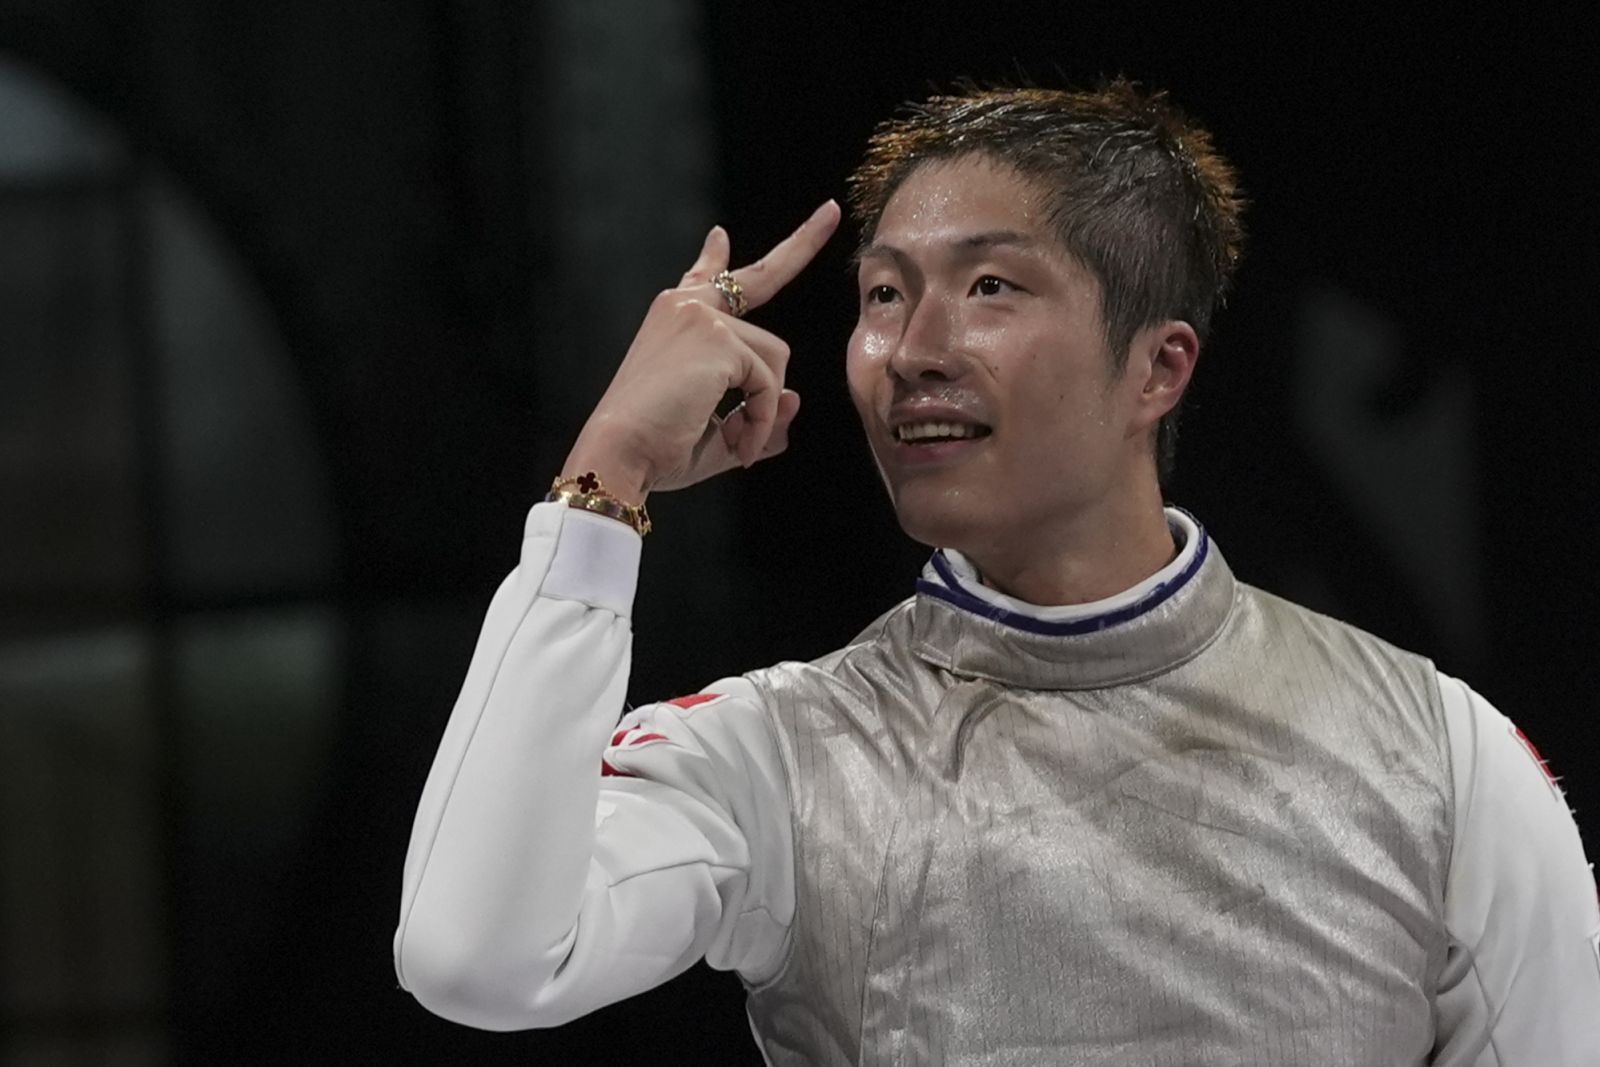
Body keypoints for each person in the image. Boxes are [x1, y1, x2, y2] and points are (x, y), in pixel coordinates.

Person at [392, 81, 1600, 1064]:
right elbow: (479, 956)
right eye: (882, 294)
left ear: (1156, 369)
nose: (914, 350)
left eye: (989, 287)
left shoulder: (1440, 750)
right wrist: (602, 487)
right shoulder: (781, 755)